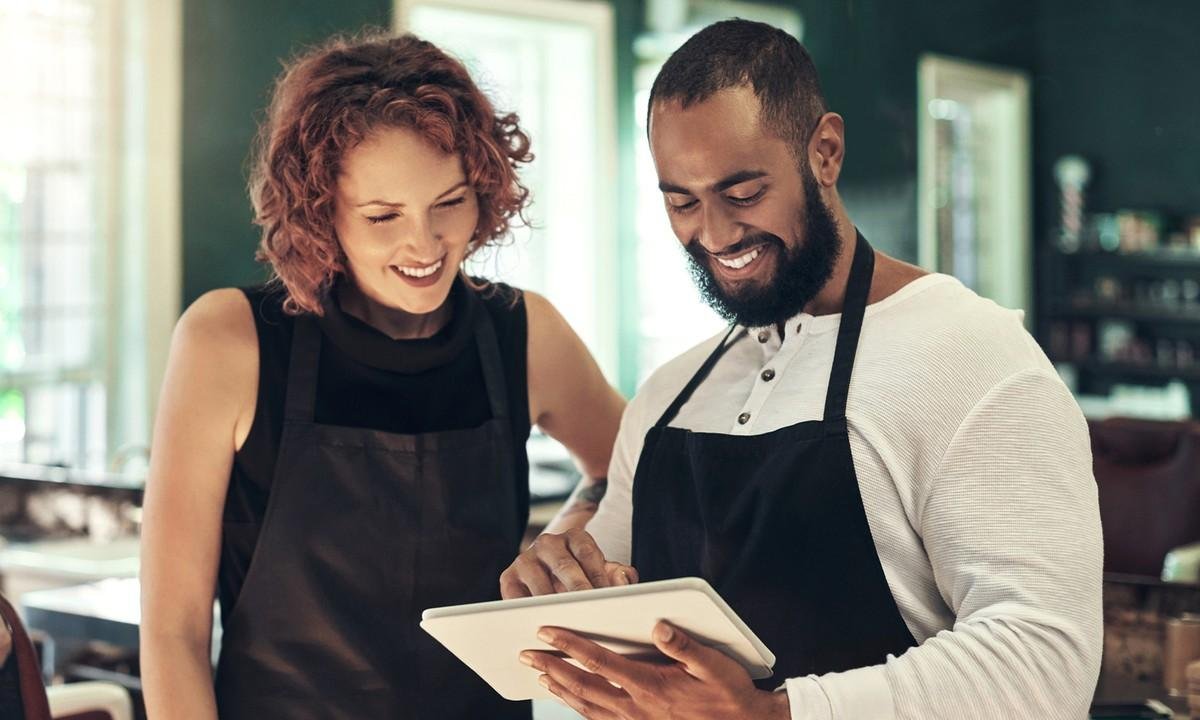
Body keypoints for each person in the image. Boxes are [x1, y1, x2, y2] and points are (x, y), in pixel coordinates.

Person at [500, 19, 1102, 719]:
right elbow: (607, 607)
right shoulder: (668, 396)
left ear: (825, 153)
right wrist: (555, 583)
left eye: (743, 193)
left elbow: (1044, 659)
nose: (714, 233)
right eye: (682, 201)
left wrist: (773, 714)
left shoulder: (973, 359)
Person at [139, 31, 624, 720]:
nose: (424, 243)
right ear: (321, 210)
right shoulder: (229, 340)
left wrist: (567, 539)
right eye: (382, 215)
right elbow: (173, 635)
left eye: (449, 202)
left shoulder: (524, 332)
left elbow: (631, 468)